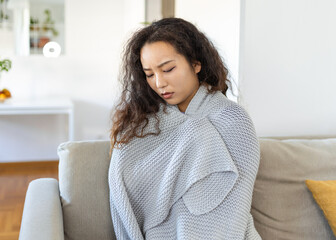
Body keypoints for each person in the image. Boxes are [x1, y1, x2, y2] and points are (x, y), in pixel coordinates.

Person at [108, 18, 261, 240]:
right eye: (149, 74)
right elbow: (125, 191)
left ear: (196, 64)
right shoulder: (141, 125)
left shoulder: (233, 120)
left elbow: (235, 206)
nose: (159, 83)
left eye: (168, 69)